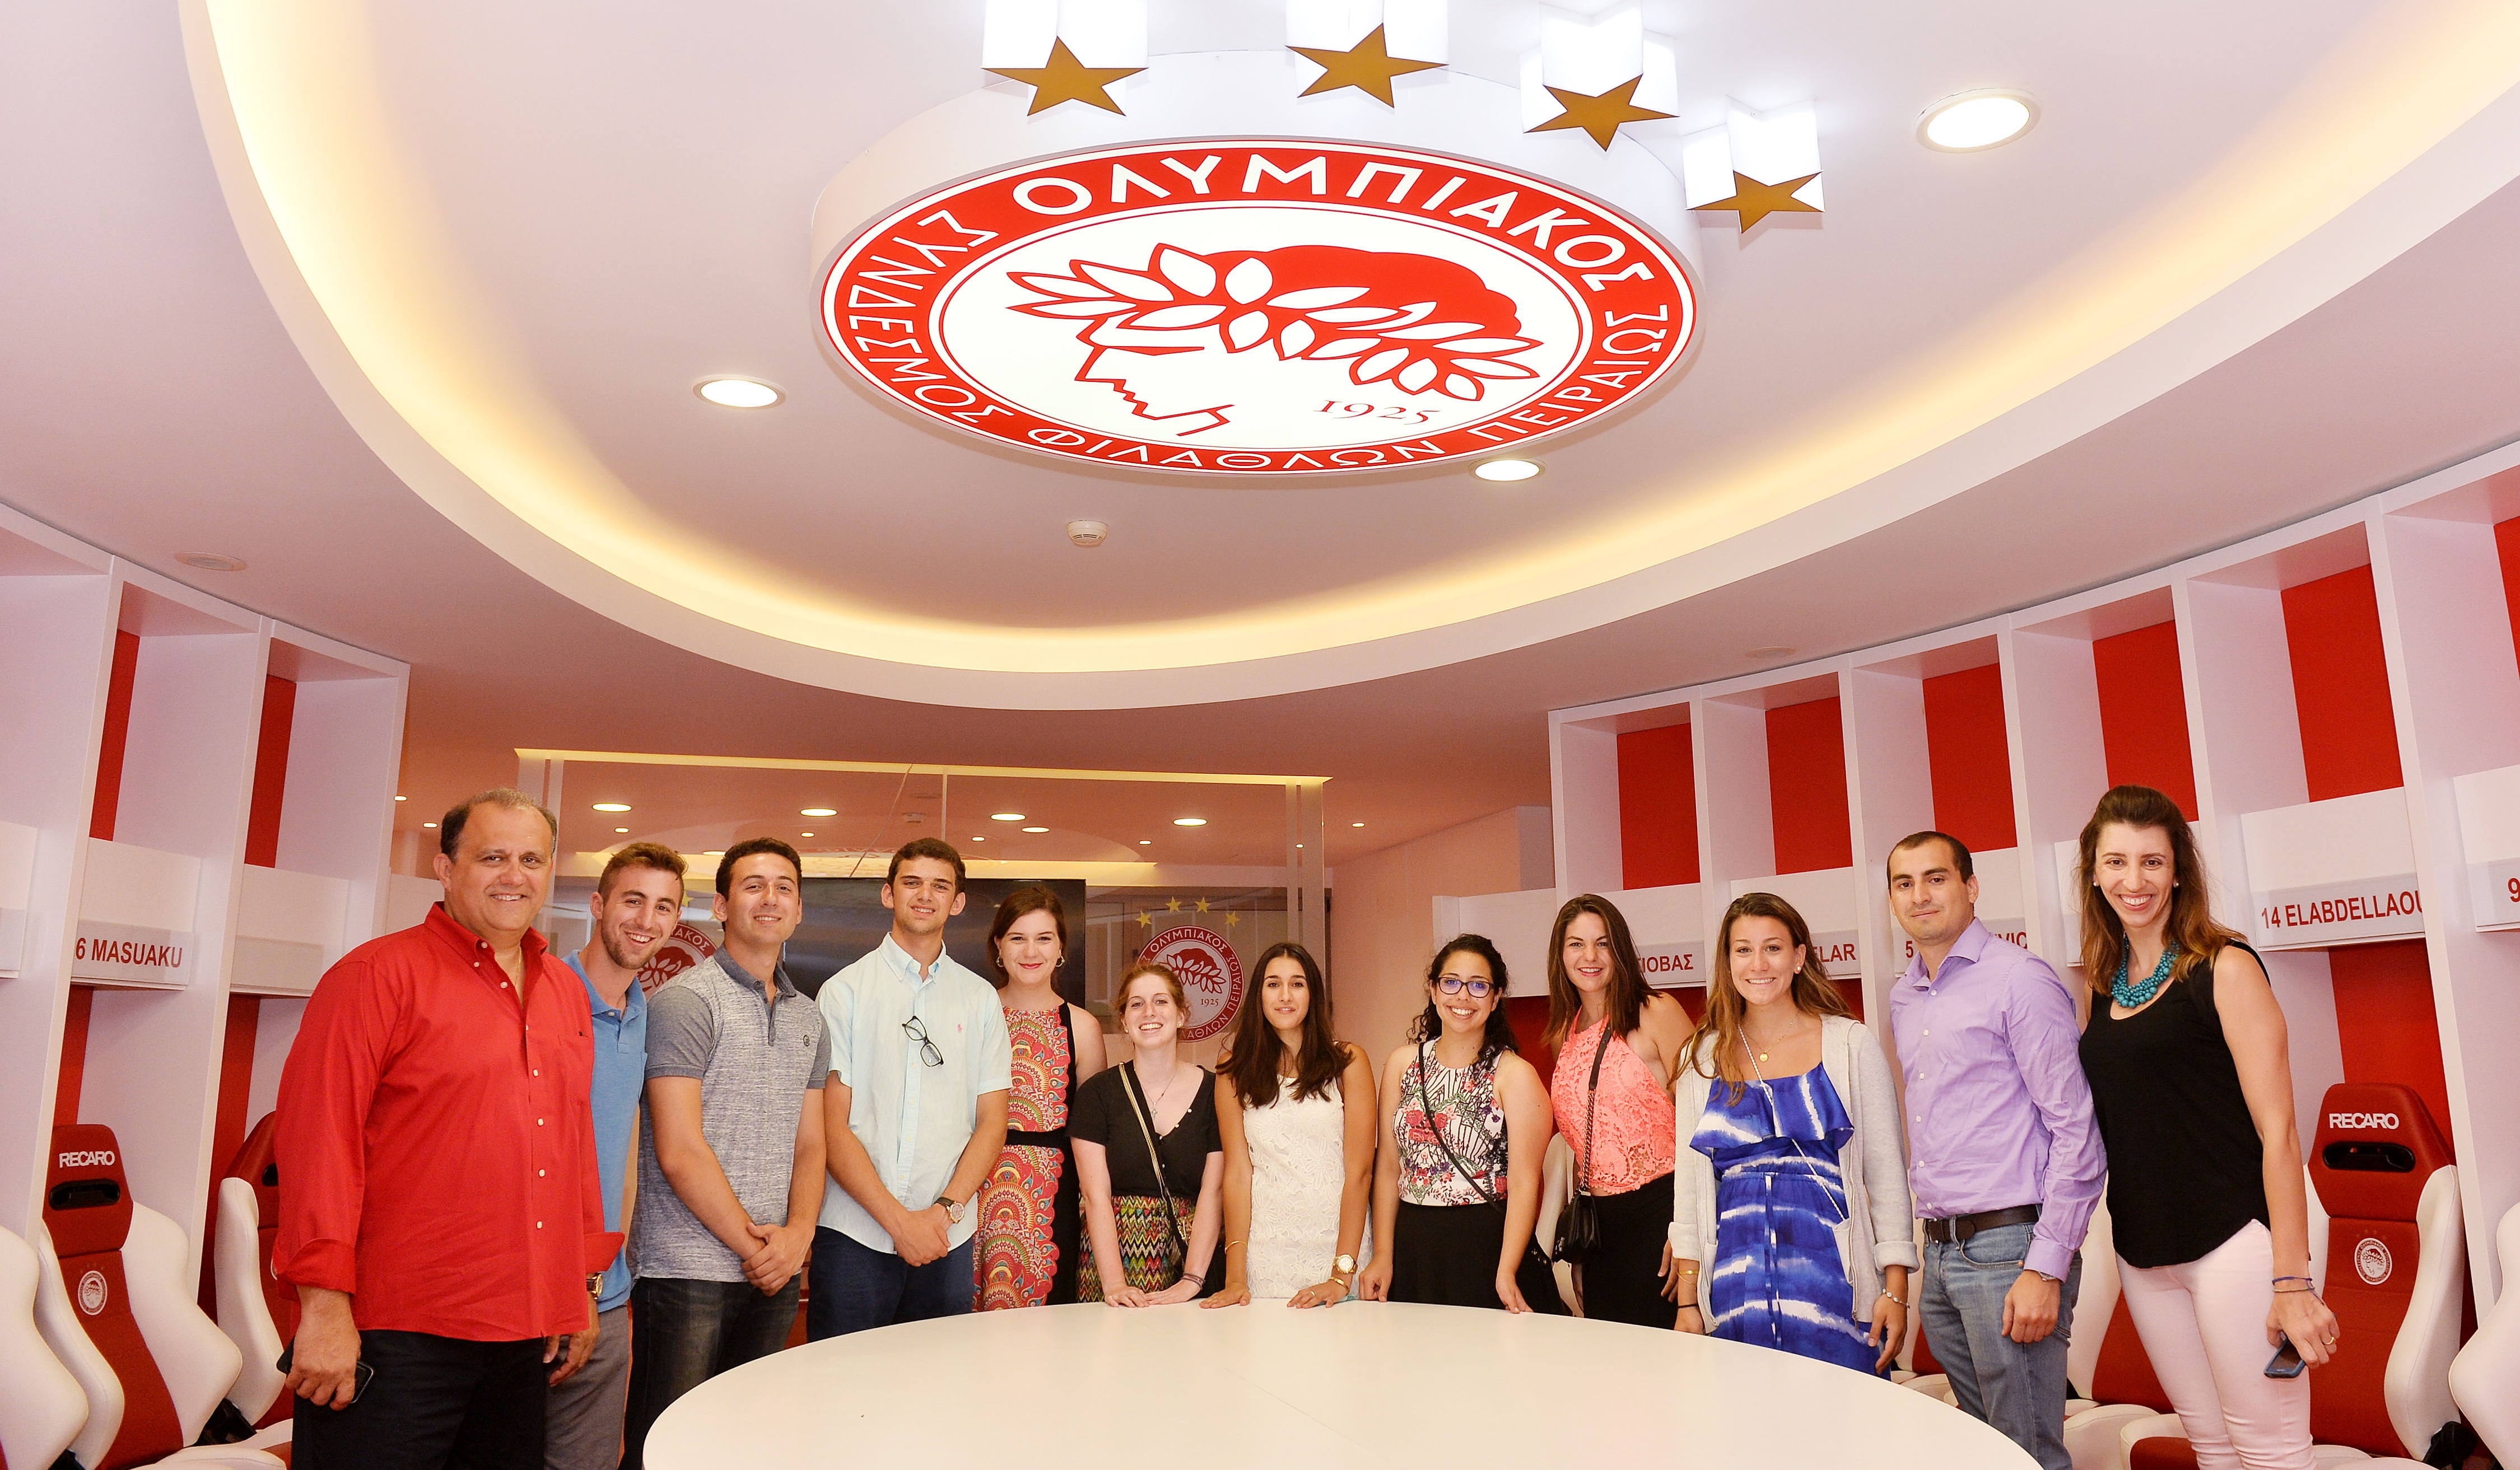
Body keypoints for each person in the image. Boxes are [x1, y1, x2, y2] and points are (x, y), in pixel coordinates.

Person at [273, 789, 614, 1470]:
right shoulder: (374, 977)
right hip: (396, 1330)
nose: (513, 876)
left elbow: (571, 1145)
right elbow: (319, 1144)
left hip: (522, 1336)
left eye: (531, 860)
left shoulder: (565, 991)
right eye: (492, 858)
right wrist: (323, 1308)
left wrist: (577, 1285)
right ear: (445, 868)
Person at [2076, 787, 2338, 1469]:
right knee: (2212, 1452)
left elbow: (2279, 1133)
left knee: (2271, 1454)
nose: (2133, 881)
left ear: (2177, 872)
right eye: (2115, 862)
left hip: (2236, 1243)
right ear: (2093, 873)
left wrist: (2291, 1281)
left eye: (2152, 862)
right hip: (2142, 1250)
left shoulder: (2225, 966)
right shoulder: (2101, 984)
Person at [1886, 831, 2104, 1470]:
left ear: (1971, 887)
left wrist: (2045, 1267)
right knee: (1984, 1455)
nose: (1919, 895)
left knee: (2027, 1452)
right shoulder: (1904, 996)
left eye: (1936, 878)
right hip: (1941, 1252)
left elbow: (2075, 1130)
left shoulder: (2019, 979)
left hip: (2010, 1253)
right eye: (1903, 883)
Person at [620, 838, 827, 1470]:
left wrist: (798, 1236)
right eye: (753, 885)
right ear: (720, 905)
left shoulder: (809, 1018)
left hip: (773, 1270)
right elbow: (680, 1150)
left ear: (798, 910)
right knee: (665, 1449)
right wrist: (758, 1248)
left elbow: (811, 1142)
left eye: (784, 888)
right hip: (686, 1271)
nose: (770, 899)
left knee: (745, 1447)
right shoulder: (686, 1001)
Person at [1671, 893, 1916, 1375]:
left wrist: (1894, 1290)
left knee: (1846, 1415)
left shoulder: (1849, 1044)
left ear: (1799, 956)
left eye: (1773, 948)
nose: (1758, 964)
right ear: (1727, 961)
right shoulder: (1700, 1058)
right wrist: (1687, 1300)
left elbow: (1886, 1176)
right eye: (1743, 950)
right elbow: (1691, 1193)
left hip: (1836, 1285)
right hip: (1735, 1289)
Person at [812, 838, 1012, 1337]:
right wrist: (899, 1222)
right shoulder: (844, 991)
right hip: (854, 1233)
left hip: (947, 1237)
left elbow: (992, 1122)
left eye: (940, 886)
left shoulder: (979, 998)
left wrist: (943, 1212)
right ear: (888, 894)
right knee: (842, 1377)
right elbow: (831, 1124)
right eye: (912, 882)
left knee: (938, 1380)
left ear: (957, 902)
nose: (925, 895)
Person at [546, 843, 683, 1470]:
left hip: (605, 1294)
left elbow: (621, 1157)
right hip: (540, 1296)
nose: (646, 920)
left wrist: (602, 1279)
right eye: (633, 900)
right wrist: (565, 1284)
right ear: (598, 905)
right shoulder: (545, 1000)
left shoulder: (643, 1014)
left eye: (663, 906)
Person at [1356, 935, 1555, 1314]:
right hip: (1413, 1242)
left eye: (1478, 985)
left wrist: (1506, 1270)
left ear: (1495, 999)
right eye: (1451, 982)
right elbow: (1388, 1169)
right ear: (1433, 991)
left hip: (1483, 1245)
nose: (1463, 996)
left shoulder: (1514, 1074)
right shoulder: (1402, 1064)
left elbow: (1524, 1182)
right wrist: (1382, 1254)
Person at [1542, 894, 1692, 1326]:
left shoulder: (1655, 1011)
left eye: (1602, 943)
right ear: (1560, 955)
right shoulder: (1564, 1033)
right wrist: (1580, 1247)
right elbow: (1583, 1143)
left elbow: (1704, 1124)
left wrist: (1689, 1230)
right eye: (1576, 944)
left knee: (1670, 1353)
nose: (1589, 956)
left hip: (1662, 1216)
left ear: (1620, 949)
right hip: (1599, 1229)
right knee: (1612, 1357)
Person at [1204, 941, 1376, 1308]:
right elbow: (1237, 1174)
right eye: (1273, 984)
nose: (1285, 995)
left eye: (1297, 984)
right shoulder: (1234, 1067)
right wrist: (1235, 1278)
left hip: (1338, 1252)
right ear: (1259, 995)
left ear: (1313, 994)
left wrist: (1341, 1275)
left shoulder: (1348, 1062)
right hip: (1266, 1255)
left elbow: (1360, 1174)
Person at [974, 885, 1106, 1309]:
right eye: (1018, 937)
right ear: (998, 945)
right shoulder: (973, 1014)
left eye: (1044, 938)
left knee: (1049, 1331)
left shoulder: (1082, 1026)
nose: (1031, 951)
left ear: (1060, 947)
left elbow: (1092, 1135)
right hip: (972, 1189)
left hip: (1055, 1198)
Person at [1069, 960, 1224, 1304]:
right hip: (1111, 1265)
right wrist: (1114, 1285)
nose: (1149, 1012)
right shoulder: (1098, 1095)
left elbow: (1213, 1191)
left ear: (1181, 1015)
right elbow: (1095, 1196)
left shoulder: (1216, 1093)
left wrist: (1192, 1280)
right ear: (1124, 1021)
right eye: (1136, 1004)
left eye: (1161, 1001)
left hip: (1191, 1259)